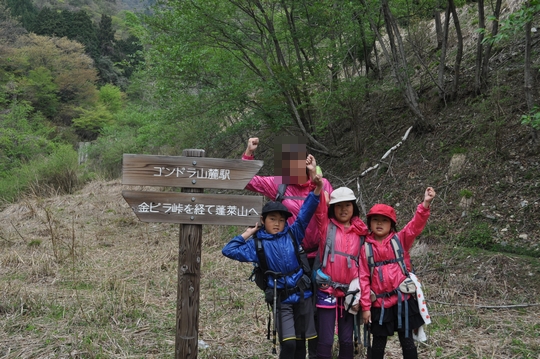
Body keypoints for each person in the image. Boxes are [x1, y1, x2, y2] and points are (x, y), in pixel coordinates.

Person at [243, 136, 332, 359]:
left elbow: (325, 211)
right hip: (290, 259)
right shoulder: (279, 184)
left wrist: (314, 179)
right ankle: (294, 351)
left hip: (319, 256)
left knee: (317, 310)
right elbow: (248, 180)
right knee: (295, 309)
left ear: (307, 161)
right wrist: (249, 153)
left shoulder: (322, 182)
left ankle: (319, 352)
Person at [222, 174, 324, 359]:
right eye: (272, 219)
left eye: (281, 220)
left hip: (302, 295)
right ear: (263, 220)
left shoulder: (293, 234)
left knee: (301, 344)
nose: (277, 223)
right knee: (289, 344)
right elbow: (228, 250)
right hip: (281, 299)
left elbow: (306, 213)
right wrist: (247, 233)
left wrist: (317, 190)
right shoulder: (257, 245)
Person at [359, 187, 436, 359]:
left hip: (403, 301)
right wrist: (366, 307)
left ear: (391, 224)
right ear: (370, 223)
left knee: (407, 342)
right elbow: (363, 278)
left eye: (384, 221)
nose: (379, 223)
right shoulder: (365, 248)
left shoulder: (400, 240)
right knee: (378, 344)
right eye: (375, 220)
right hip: (379, 304)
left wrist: (425, 205)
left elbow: (414, 227)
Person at [313, 187, 368, 359]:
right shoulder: (326, 227)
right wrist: (317, 184)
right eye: (338, 206)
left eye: (348, 205)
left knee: (346, 340)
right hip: (327, 290)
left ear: (354, 207)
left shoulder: (361, 232)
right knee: (326, 340)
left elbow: (365, 267)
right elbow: (319, 210)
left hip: (349, 293)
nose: (343, 209)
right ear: (332, 207)